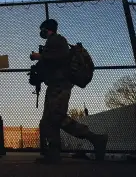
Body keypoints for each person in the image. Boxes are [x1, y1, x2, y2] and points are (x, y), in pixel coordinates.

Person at [30, 19, 108, 164]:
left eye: (42, 29)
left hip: (61, 83)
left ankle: (96, 138)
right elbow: (51, 64)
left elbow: (60, 57)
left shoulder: (57, 40)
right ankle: (53, 154)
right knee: (48, 119)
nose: (40, 32)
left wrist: (39, 56)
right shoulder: (53, 42)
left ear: (47, 29)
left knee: (57, 116)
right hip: (55, 84)